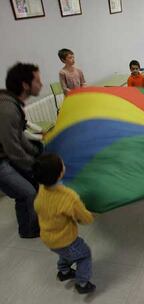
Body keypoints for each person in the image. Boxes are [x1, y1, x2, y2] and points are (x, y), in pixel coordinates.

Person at [33, 153, 95, 294]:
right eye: (63, 164)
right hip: (66, 240)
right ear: (61, 173)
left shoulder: (42, 188)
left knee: (65, 253)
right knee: (84, 255)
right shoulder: (69, 197)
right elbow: (86, 219)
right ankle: (83, 283)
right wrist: (90, 215)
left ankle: (65, 272)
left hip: (47, 237)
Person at [0, 62, 43, 238]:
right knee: (28, 192)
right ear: (25, 85)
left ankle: (28, 226)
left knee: (30, 187)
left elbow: (19, 136)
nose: (41, 84)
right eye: (38, 81)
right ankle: (30, 230)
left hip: (6, 156)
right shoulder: (8, 109)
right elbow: (13, 148)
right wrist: (35, 165)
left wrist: (35, 152)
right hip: (2, 161)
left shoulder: (13, 104)